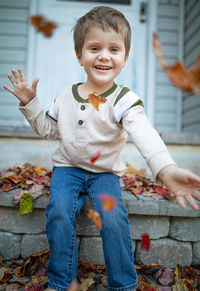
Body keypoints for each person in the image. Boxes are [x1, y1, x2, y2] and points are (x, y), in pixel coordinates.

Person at [3, 6, 200, 291]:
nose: (104, 55)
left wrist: (165, 167)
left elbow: (144, 133)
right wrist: (31, 104)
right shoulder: (65, 96)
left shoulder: (124, 99)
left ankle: (122, 284)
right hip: (67, 169)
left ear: (125, 57)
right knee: (58, 209)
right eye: (94, 47)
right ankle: (61, 281)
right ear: (79, 55)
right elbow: (48, 130)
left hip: (104, 173)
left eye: (114, 49)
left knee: (113, 215)